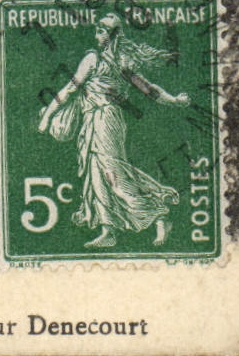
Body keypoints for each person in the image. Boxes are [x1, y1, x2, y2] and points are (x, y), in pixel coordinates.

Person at [37, 13, 190, 248]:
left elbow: (149, 90)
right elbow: (70, 89)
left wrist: (175, 101)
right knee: (97, 173)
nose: (96, 34)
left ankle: (158, 213)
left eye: (101, 30)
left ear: (113, 35)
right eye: (97, 29)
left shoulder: (109, 61)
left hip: (106, 119)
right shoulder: (99, 59)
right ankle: (109, 230)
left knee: (112, 172)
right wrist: (48, 115)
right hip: (94, 120)